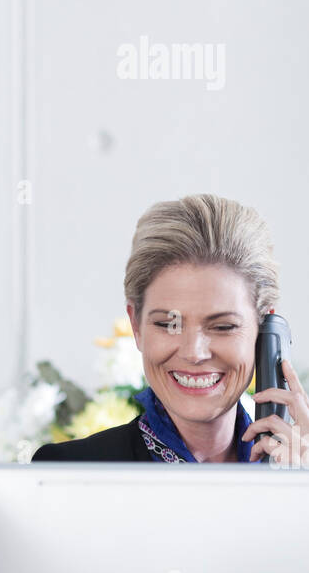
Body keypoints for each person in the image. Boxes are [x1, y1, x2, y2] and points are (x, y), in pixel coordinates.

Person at [33, 193, 309, 465]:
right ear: (136, 325)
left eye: (223, 326)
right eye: (168, 324)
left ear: (265, 331)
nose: (194, 352)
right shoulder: (68, 471)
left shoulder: (294, 472)